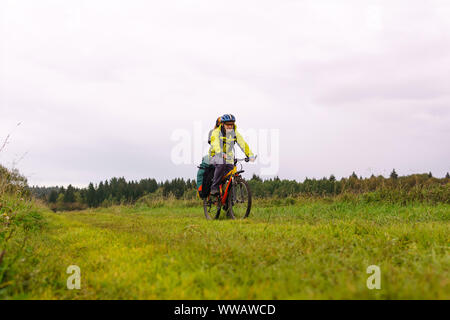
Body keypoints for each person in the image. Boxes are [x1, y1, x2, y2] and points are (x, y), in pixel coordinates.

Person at [208, 114, 255, 196]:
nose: (230, 126)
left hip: (228, 158)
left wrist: (250, 155)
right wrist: (220, 153)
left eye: (231, 124)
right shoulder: (216, 132)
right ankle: (214, 187)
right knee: (221, 162)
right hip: (215, 156)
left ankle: (228, 200)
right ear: (222, 124)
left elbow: (242, 143)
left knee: (232, 173)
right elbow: (215, 144)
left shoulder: (235, 133)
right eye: (227, 125)